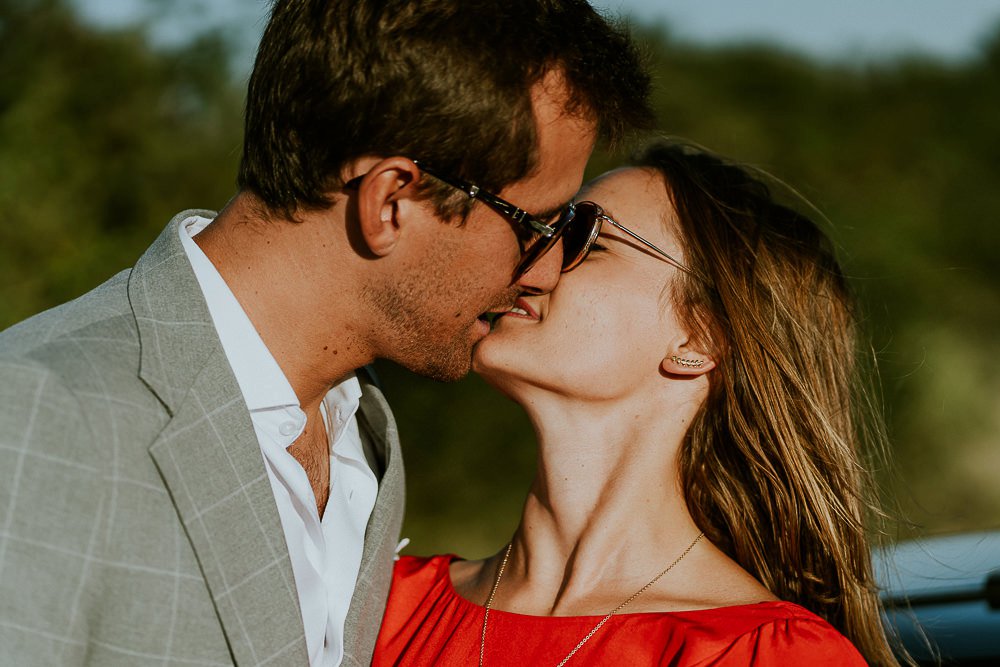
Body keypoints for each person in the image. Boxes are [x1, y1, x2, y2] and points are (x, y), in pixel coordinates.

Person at [0, 1, 653, 665]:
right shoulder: (39, 417)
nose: (544, 269)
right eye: (536, 225)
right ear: (391, 201)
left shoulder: (367, 438)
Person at [373, 139, 901, 666]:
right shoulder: (380, 603)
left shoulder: (763, 654)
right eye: (549, 230)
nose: (534, 259)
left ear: (699, 340)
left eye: (588, 239)